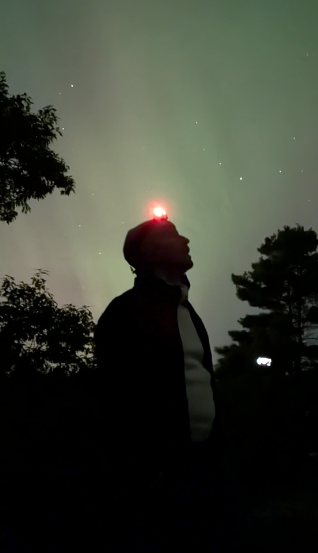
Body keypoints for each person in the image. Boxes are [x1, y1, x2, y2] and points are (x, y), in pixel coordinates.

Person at [93, 213, 247, 553]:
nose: (186, 240)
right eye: (173, 234)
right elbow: (117, 397)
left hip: (204, 468)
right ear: (145, 252)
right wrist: (146, 468)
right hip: (159, 476)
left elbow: (201, 382)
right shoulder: (124, 313)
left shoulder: (188, 312)